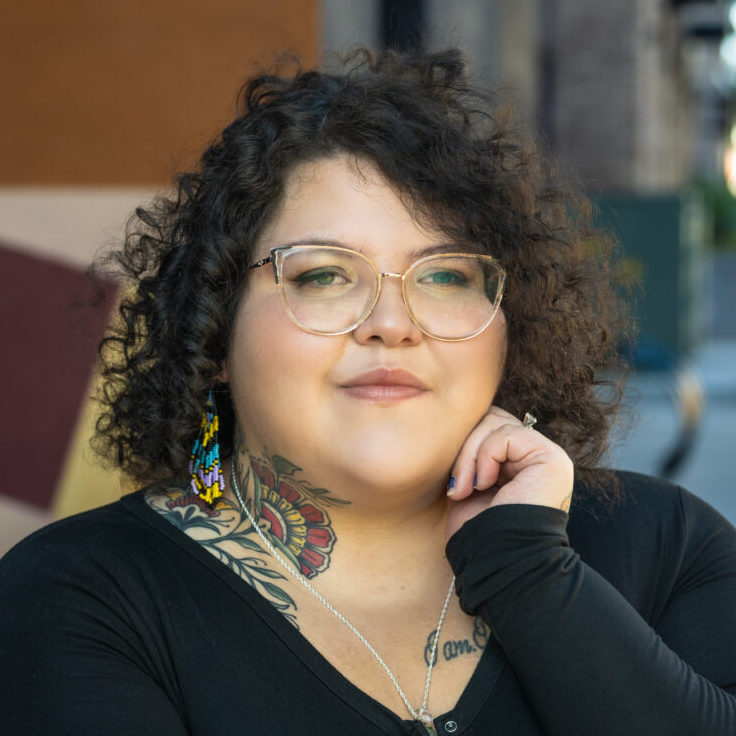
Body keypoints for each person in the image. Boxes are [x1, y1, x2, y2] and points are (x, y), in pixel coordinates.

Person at [1, 49, 735, 736]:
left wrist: (525, 571)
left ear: (509, 326)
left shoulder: (666, 547)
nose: (392, 323)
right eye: (322, 275)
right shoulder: (77, 596)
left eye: (445, 276)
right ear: (215, 328)